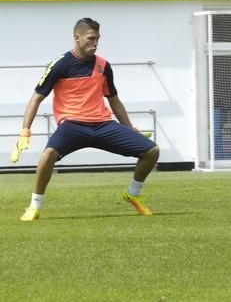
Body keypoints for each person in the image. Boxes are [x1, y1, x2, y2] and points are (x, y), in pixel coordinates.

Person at [10, 18, 159, 221]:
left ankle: (132, 195)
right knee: (47, 155)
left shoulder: (103, 66)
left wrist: (129, 127)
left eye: (97, 39)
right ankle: (34, 207)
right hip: (72, 125)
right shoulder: (60, 65)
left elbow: (114, 100)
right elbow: (36, 98)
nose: (95, 43)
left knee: (152, 151)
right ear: (77, 38)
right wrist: (25, 131)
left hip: (103, 125)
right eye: (90, 38)